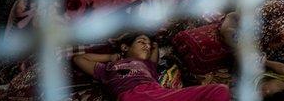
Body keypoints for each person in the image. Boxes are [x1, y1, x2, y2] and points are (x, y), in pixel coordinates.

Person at [72, 33, 231, 101]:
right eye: (141, 42)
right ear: (125, 48)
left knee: (220, 90)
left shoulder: (148, 65)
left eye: (148, 44)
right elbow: (79, 58)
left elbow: (155, 49)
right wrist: (109, 57)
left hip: (161, 93)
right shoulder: (110, 68)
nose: (147, 46)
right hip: (133, 96)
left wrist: (152, 42)